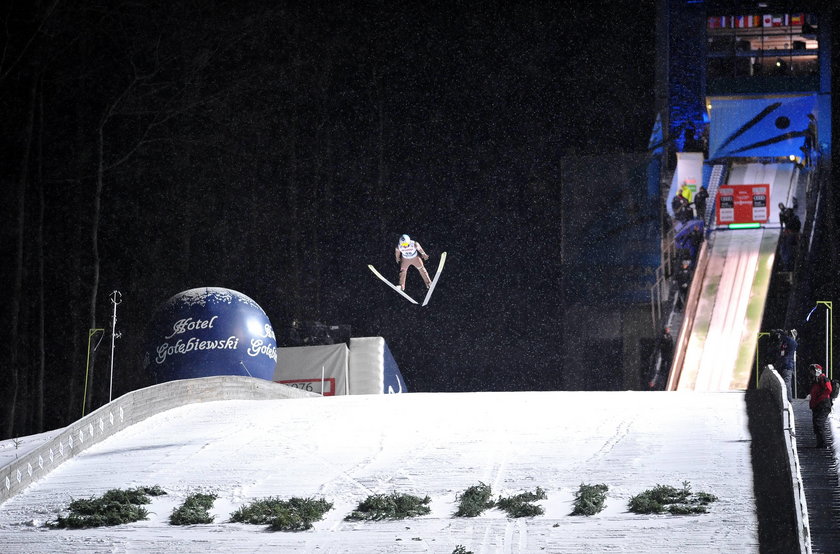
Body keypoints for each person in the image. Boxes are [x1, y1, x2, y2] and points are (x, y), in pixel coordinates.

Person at [807, 364, 833, 448]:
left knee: (819, 423)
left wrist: (819, 399)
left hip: (823, 404)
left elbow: (828, 389)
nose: (811, 373)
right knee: (816, 424)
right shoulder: (816, 380)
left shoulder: (823, 379)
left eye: (812, 371)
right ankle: (820, 443)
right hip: (818, 405)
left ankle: (823, 444)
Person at [772, 329, 798, 402]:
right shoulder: (785, 342)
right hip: (782, 365)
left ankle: (789, 400)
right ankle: (783, 399)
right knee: (781, 383)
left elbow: (786, 338)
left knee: (786, 383)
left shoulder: (793, 342)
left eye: (789, 333)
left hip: (787, 366)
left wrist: (781, 332)